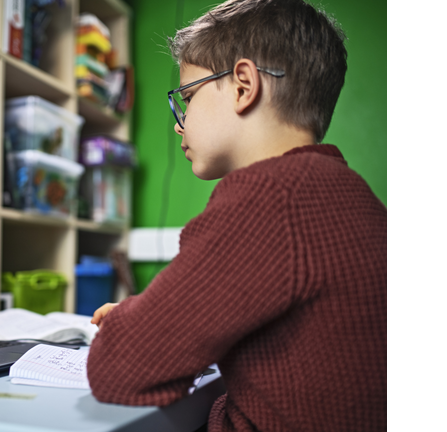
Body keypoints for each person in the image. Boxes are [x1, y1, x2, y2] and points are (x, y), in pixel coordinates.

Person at [86, 1, 386, 431]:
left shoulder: (269, 198)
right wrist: (150, 318)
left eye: (187, 97)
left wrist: (131, 328)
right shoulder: (351, 195)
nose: (179, 124)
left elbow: (120, 368)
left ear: (244, 85)